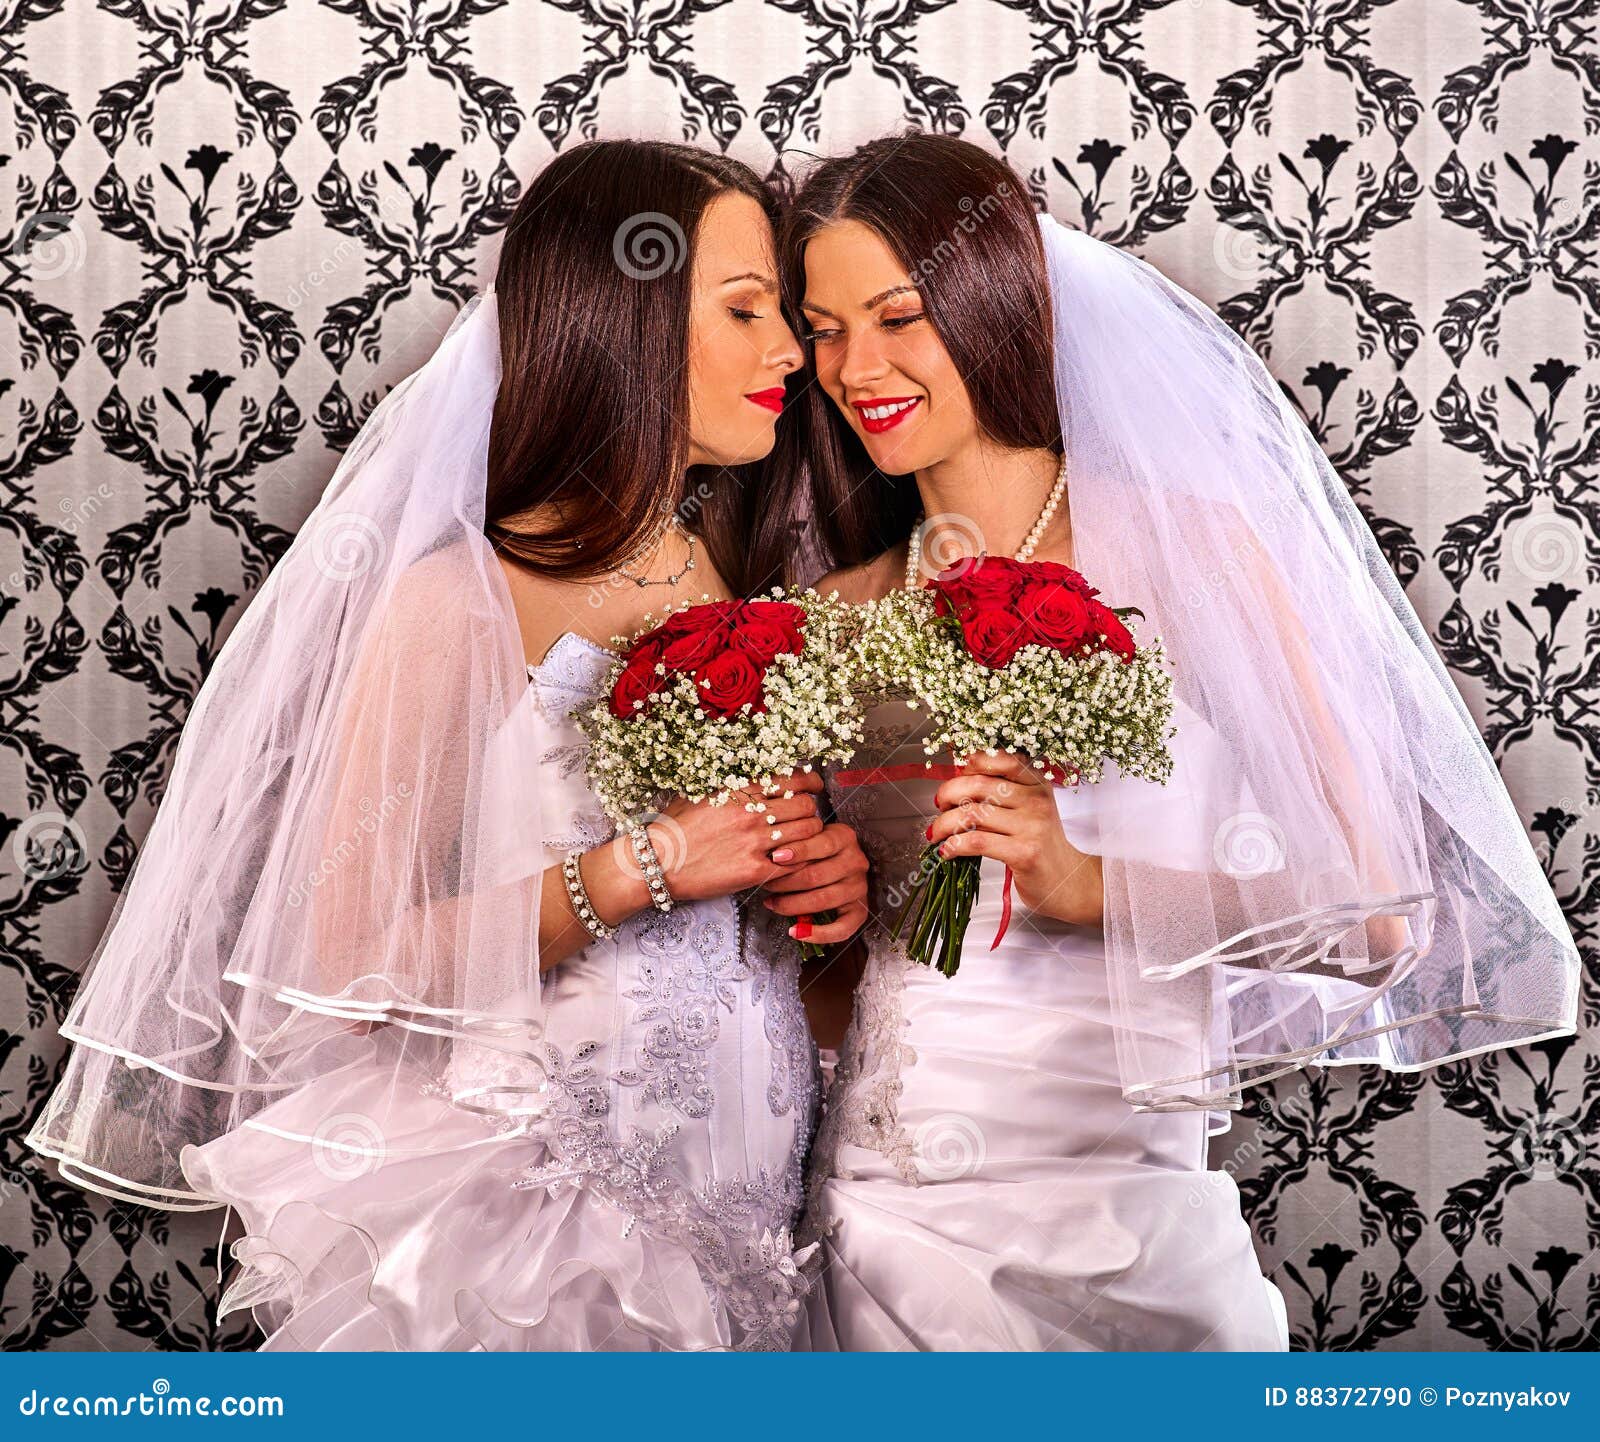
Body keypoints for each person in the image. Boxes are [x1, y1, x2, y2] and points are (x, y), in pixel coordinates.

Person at [25, 139, 870, 1352]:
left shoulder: (745, 581)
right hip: (540, 1222)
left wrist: (814, 894)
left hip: (748, 1218)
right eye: (745, 310)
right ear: (616, 324)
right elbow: (341, 951)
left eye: (785, 314)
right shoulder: (455, 599)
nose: (791, 351)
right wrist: (636, 871)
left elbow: (746, 946)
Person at [764, 133, 1581, 1351]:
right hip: (882, 1215)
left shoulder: (1198, 553)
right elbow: (845, 984)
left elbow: (1375, 922)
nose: (855, 367)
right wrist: (810, 921)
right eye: (822, 328)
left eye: (899, 316)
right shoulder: (831, 614)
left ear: (992, 301)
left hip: (1122, 1217)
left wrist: (1080, 880)